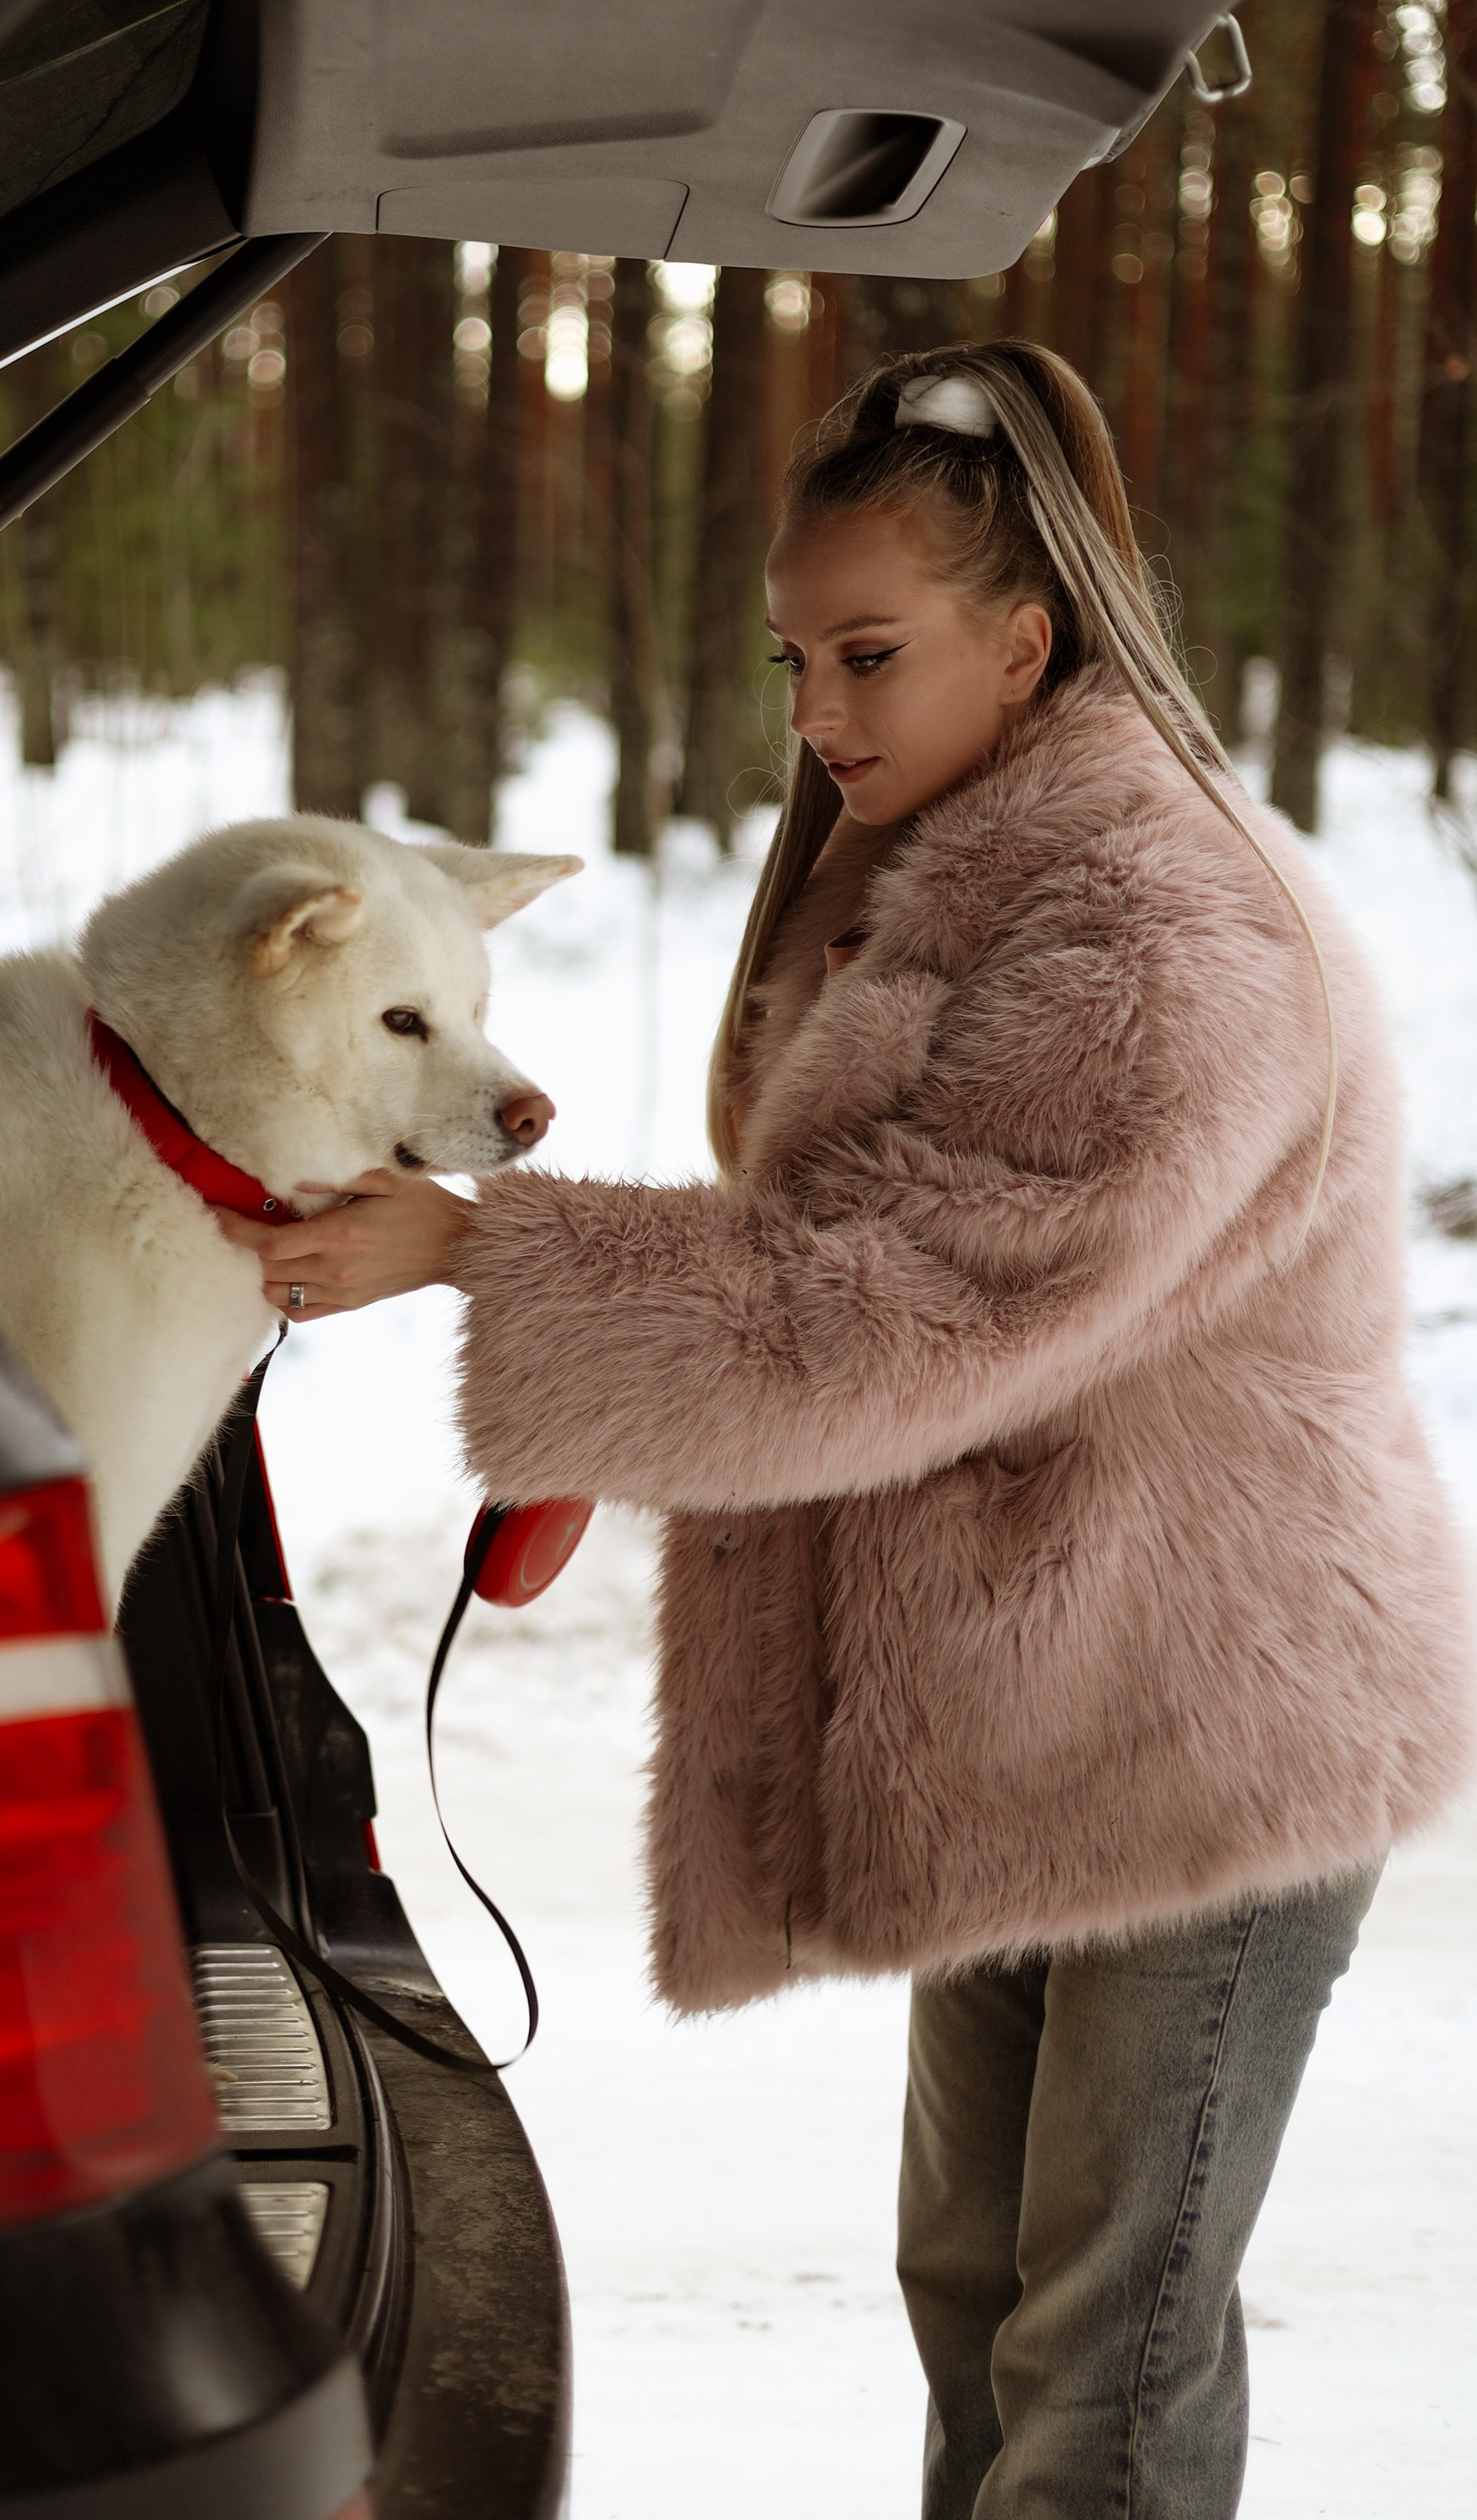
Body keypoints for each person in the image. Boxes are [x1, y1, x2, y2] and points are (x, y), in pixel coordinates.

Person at [218, 339, 1472, 2518]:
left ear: (1029, 638)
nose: (816, 709)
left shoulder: (1152, 926)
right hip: (1040, 1699)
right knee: (973, 2293)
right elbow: (872, 1268)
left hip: (1222, 1715)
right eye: (795, 658)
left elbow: (894, 1308)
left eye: (869, 654)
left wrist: (491, 1257)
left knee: (1103, 2354)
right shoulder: (952, 873)